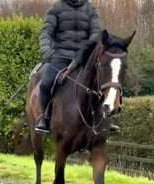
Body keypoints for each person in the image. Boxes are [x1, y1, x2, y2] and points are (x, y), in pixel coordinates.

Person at [35, 0, 120, 135]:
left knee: (104, 80)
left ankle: (107, 119)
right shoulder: (56, 8)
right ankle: (45, 119)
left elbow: (95, 34)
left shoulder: (90, 9)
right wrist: (45, 50)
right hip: (60, 57)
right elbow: (46, 32)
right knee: (45, 84)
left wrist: (84, 52)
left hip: (85, 59)